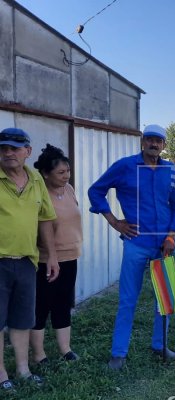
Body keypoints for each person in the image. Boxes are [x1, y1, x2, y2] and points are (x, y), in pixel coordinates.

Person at [88, 124, 175, 371]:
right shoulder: (125, 166)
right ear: (143, 142)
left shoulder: (170, 170)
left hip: (164, 244)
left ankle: (159, 345)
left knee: (164, 297)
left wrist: (171, 235)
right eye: (150, 140)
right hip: (136, 243)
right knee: (128, 299)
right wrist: (114, 221)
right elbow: (96, 191)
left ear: (164, 145)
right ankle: (118, 353)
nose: (154, 144)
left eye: (159, 141)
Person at [0, 128, 59, 391]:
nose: (8, 152)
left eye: (14, 148)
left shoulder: (35, 179)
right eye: (3, 148)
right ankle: (1, 375)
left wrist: (52, 256)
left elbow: (45, 219)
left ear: (28, 151)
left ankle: (23, 369)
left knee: (23, 319)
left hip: (26, 261)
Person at [30, 144, 83, 364]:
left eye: (68, 171)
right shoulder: (39, 195)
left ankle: (65, 349)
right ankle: (39, 354)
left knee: (63, 303)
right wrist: (50, 255)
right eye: (61, 173)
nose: (66, 176)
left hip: (71, 256)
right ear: (45, 174)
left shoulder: (69, 189)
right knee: (41, 306)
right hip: (46, 259)